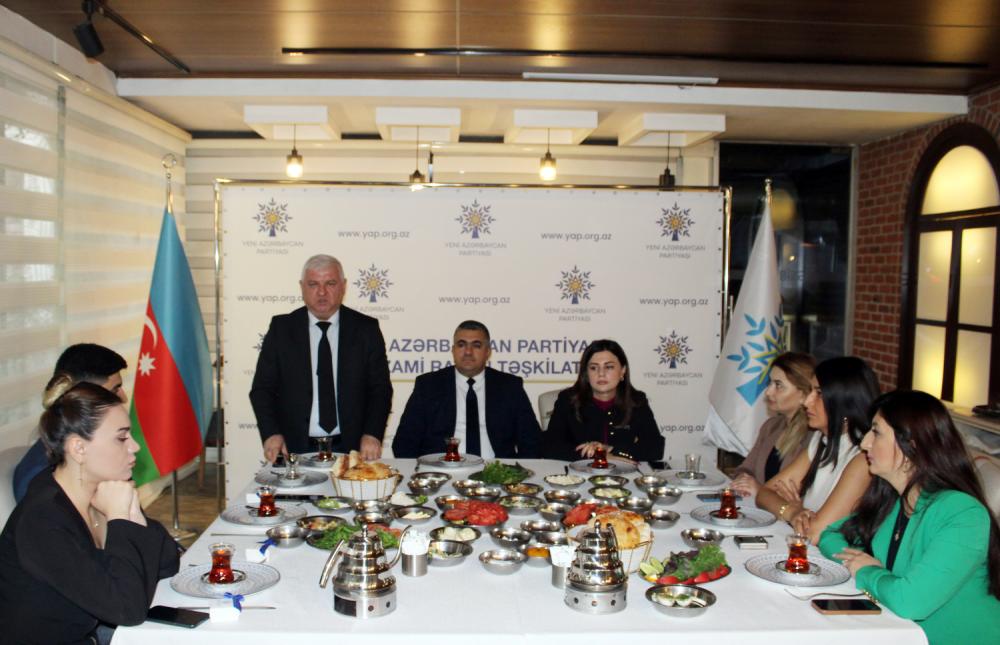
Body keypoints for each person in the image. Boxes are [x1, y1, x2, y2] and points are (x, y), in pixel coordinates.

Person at [0, 377, 180, 645]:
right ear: (79, 448)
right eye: (121, 438)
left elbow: (168, 562)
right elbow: (127, 610)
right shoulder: (43, 520)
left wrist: (133, 515)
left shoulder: (103, 492)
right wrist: (119, 519)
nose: (135, 446)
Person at [819, 391, 1000, 645]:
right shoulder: (893, 501)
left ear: (912, 444)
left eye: (876, 432)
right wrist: (858, 561)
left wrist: (868, 571)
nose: (865, 443)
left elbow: (910, 602)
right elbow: (830, 535)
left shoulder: (963, 513)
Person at [250, 254, 392, 462]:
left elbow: (380, 389)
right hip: (294, 448)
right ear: (302, 287)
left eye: (330, 283)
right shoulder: (282, 329)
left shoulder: (366, 329)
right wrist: (271, 433)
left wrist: (372, 433)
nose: (322, 292)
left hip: (351, 448)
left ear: (343, 286)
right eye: (313, 284)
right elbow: (262, 389)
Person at [754, 356, 879, 543]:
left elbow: (816, 533)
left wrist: (795, 511)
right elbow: (765, 493)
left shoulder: (863, 457)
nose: (806, 402)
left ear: (844, 401)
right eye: (810, 391)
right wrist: (792, 511)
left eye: (818, 393)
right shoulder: (821, 441)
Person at [391, 321, 540, 458]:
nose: (468, 352)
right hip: (442, 469)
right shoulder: (428, 385)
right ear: (453, 350)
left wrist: (517, 473)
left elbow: (532, 441)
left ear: (488, 352)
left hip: (496, 471)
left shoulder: (510, 386)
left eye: (476, 345)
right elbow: (404, 442)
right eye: (461, 345)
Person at [12, 343, 128, 503]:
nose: (123, 398)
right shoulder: (42, 478)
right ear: (82, 396)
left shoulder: (92, 454)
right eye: (114, 390)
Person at [542, 339, 664, 463]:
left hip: (624, 472)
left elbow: (655, 447)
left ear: (622, 371)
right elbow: (550, 446)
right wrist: (596, 455)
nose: (601, 373)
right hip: (580, 472)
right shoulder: (568, 400)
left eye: (609, 367)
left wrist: (610, 450)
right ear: (586, 373)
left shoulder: (636, 401)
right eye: (594, 368)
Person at [731, 352, 815, 497]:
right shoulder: (771, 426)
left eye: (778, 385)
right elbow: (745, 469)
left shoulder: (814, 437)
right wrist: (742, 481)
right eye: (769, 383)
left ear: (803, 394)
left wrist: (760, 491)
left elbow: (800, 495)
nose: (768, 392)